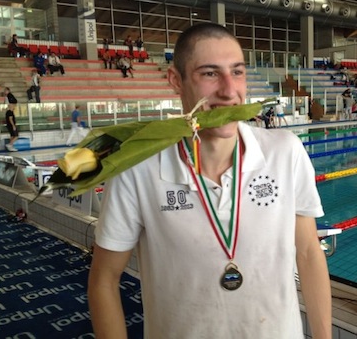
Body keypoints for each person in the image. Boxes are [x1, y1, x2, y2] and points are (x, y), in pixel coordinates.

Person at [88, 23, 332, 339]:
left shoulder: (286, 152)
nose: (230, 91)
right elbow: (104, 280)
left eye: (238, 72)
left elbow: (309, 253)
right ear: (176, 80)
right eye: (209, 74)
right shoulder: (138, 170)